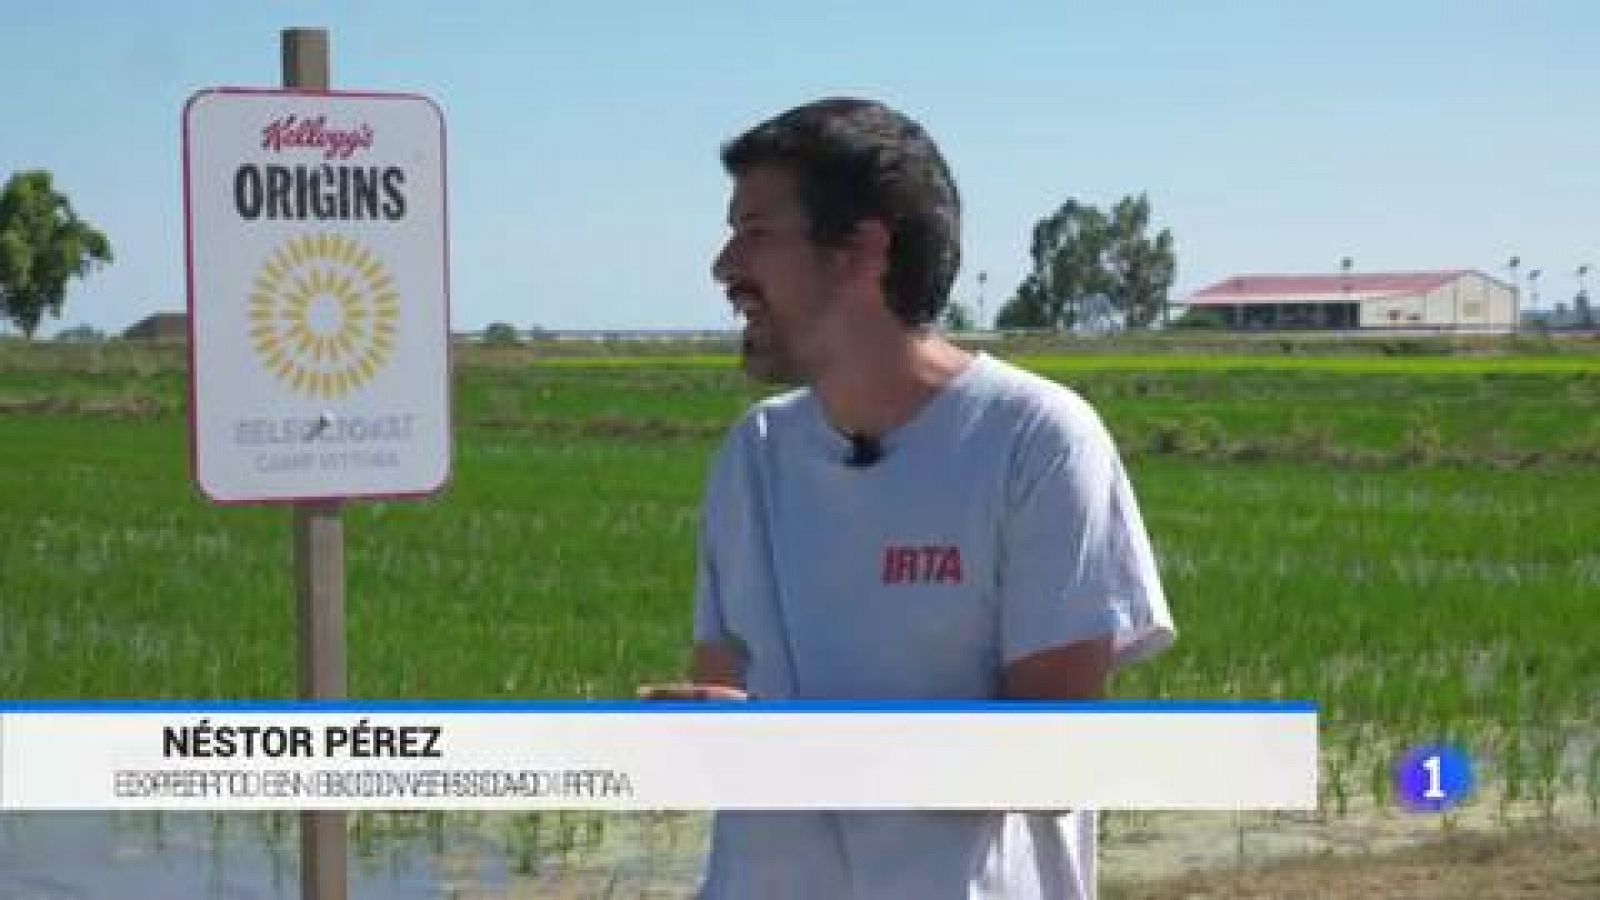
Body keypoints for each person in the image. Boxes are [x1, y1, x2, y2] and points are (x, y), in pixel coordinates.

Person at [639, 97, 1176, 899]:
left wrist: (793, 748)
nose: (724, 267)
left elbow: (1051, 762)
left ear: (864, 247)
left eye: (756, 232)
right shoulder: (754, 453)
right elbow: (727, 702)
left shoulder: (1035, 441)